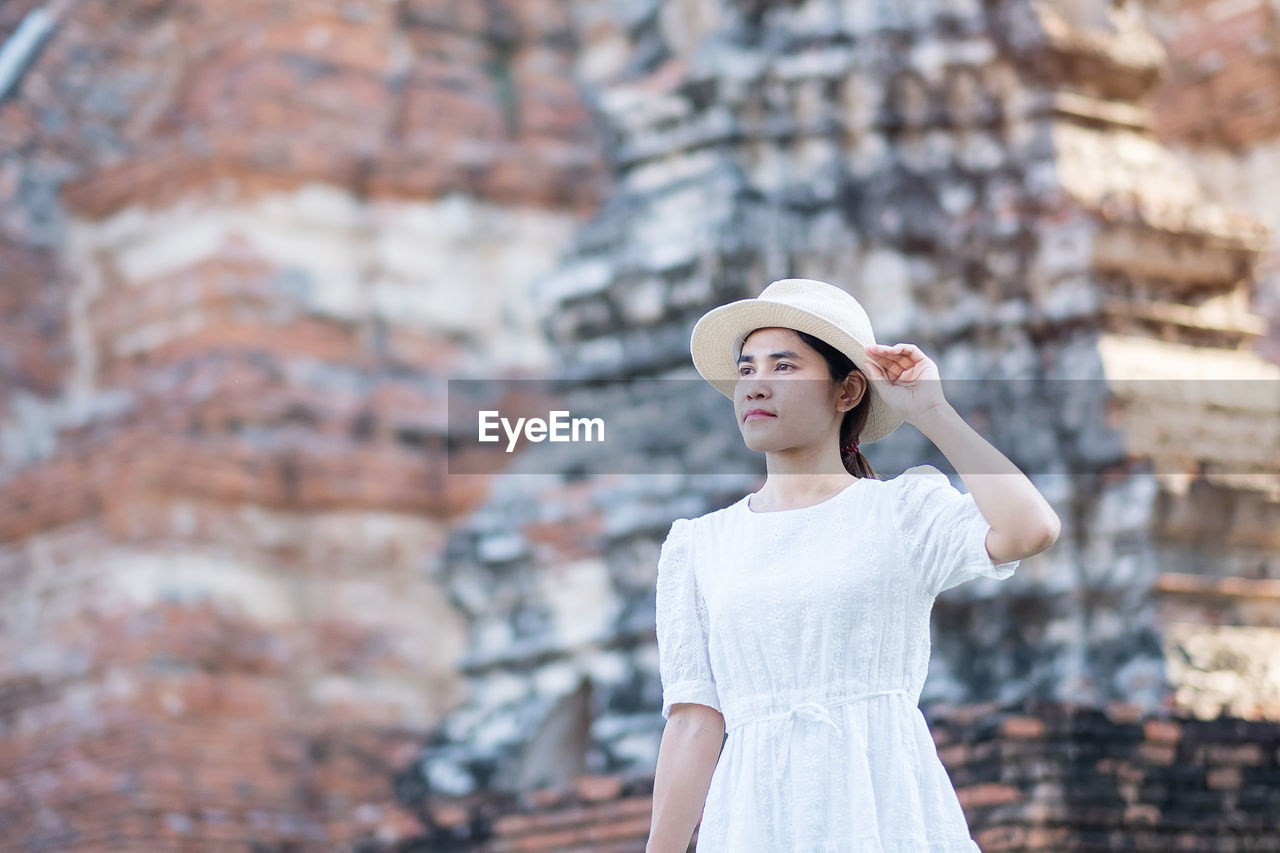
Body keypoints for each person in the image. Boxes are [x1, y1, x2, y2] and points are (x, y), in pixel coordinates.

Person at [646, 278, 1061, 852]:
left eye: (784, 366)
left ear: (847, 393)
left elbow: (1030, 529)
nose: (756, 385)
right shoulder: (699, 545)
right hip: (754, 819)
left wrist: (932, 413)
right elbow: (693, 723)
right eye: (746, 370)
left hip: (883, 807)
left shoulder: (902, 511)